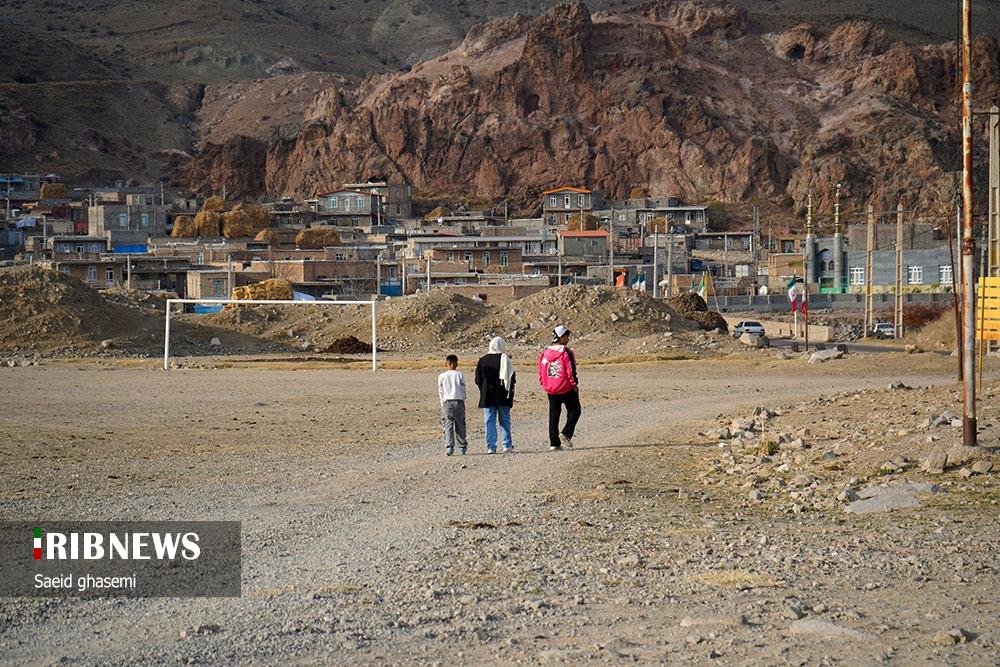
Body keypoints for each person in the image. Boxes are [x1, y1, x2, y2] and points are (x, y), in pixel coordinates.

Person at [538, 325, 580, 451]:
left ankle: (554, 443)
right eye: (566, 336)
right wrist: (574, 384)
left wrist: (544, 383)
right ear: (561, 337)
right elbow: (570, 370)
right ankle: (566, 433)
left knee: (554, 415)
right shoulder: (566, 352)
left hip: (551, 388)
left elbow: (541, 370)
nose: (568, 339)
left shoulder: (545, 353)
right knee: (575, 410)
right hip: (566, 388)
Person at [475, 336, 516, 454]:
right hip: (503, 395)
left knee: (489, 421)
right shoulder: (506, 359)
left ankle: (491, 447)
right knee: (505, 420)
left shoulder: (483, 360)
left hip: (488, 396)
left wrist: (483, 390)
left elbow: (478, 380)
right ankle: (507, 445)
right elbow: (512, 378)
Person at [438, 354, 467, 456]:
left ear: (446, 364)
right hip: (458, 401)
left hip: (447, 402)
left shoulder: (442, 376)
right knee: (460, 424)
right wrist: (463, 399)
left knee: (448, 425)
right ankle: (462, 447)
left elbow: (440, 391)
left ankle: (449, 446)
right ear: (456, 364)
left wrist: (442, 402)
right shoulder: (460, 375)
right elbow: (463, 388)